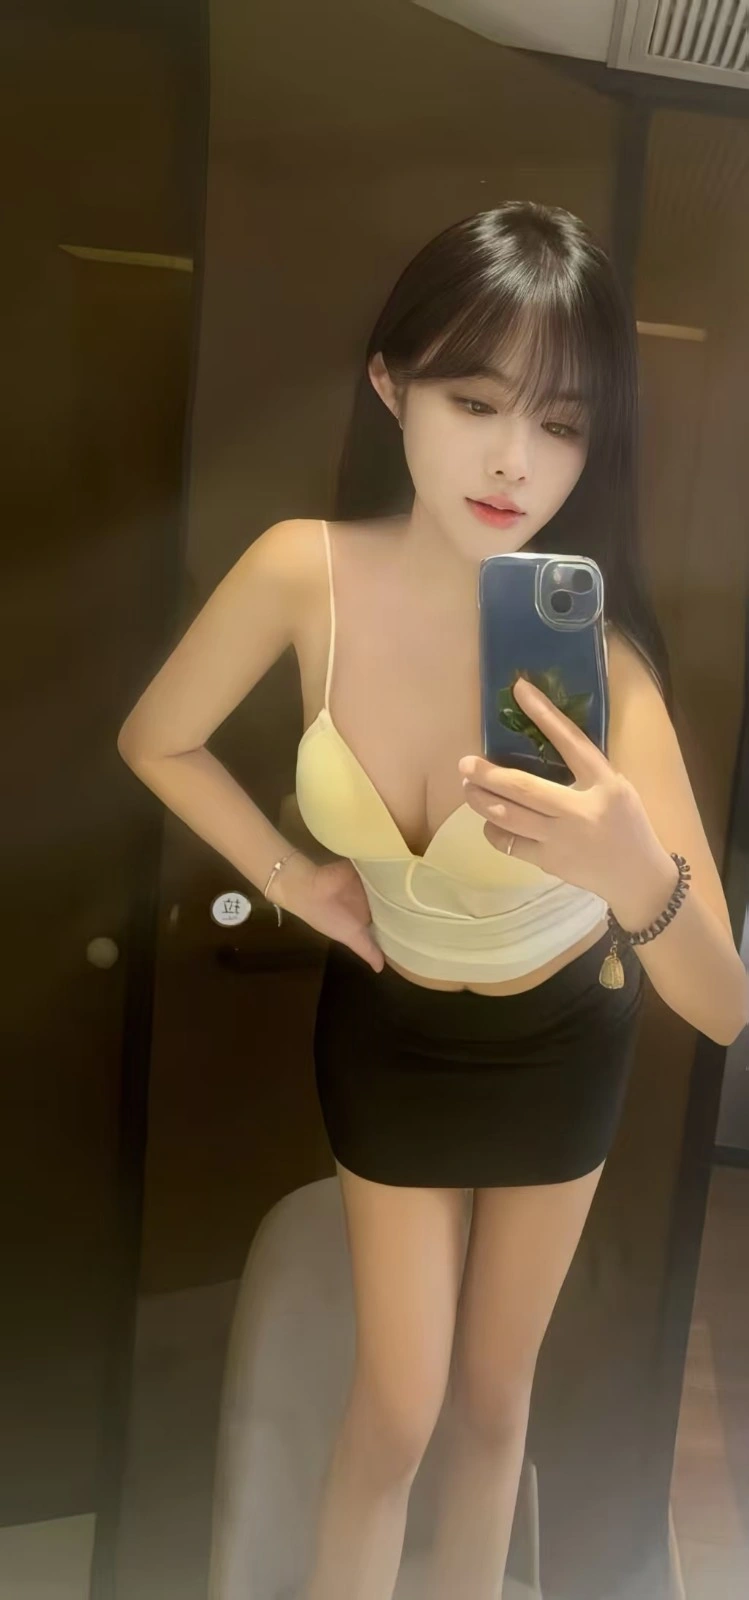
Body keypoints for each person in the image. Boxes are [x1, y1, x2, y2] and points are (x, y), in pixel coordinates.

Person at [118, 202, 747, 1600]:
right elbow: (157, 740)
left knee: (488, 1398)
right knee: (396, 1407)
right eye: (475, 402)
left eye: (562, 425)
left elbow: (722, 1006)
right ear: (390, 383)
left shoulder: (606, 665)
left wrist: (637, 877)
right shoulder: (302, 571)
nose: (516, 460)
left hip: (561, 1042)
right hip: (390, 1030)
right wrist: (297, 882)